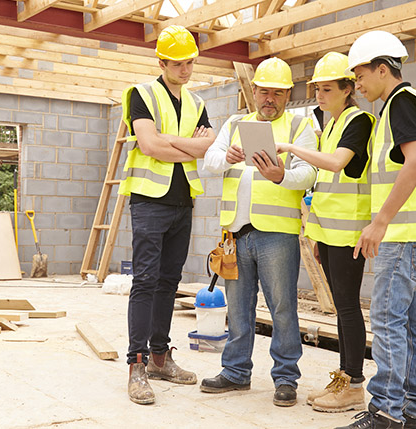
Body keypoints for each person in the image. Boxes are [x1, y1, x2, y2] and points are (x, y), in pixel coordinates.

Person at [337, 31, 416, 429]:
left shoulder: (401, 103)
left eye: (360, 76)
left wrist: (380, 221)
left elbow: (415, 162)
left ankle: (386, 412)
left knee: (389, 319)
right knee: (413, 322)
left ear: (382, 69)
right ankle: (414, 410)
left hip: (404, 234)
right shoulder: (407, 105)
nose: (357, 84)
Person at [199, 57, 317, 407]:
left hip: (276, 234)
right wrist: (229, 157)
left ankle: (285, 378)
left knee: (282, 308)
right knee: (237, 309)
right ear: (254, 91)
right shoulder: (236, 123)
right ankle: (235, 373)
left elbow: (310, 173)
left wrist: (282, 175)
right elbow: (209, 161)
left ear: (287, 94)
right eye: (264, 91)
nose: (269, 99)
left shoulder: (299, 127)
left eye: (277, 93)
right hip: (236, 232)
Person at [118, 25, 216, 405]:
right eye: (179, 64)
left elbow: (205, 148)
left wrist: (170, 142)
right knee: (144, 281)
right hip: (149, 200)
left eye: (191, 63)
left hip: (182, 202)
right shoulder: (141, 95)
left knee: (168, 281)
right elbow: (148, 144)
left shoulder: (197, 102)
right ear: (161, 61)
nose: (187, 70)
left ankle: (160, 356)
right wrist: (188, 145)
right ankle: (136, 365)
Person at [276, 51, 374, 413]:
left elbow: (335, 164)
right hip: (329, 231)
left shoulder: (359, 121)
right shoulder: (330, 123)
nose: (319, 95)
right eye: (317, 89)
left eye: (327, 89)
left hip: (349, 231)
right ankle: (343, 378)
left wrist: (290, 147)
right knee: (340, 307)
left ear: (348, 89)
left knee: (348, 307)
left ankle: (354, 384)